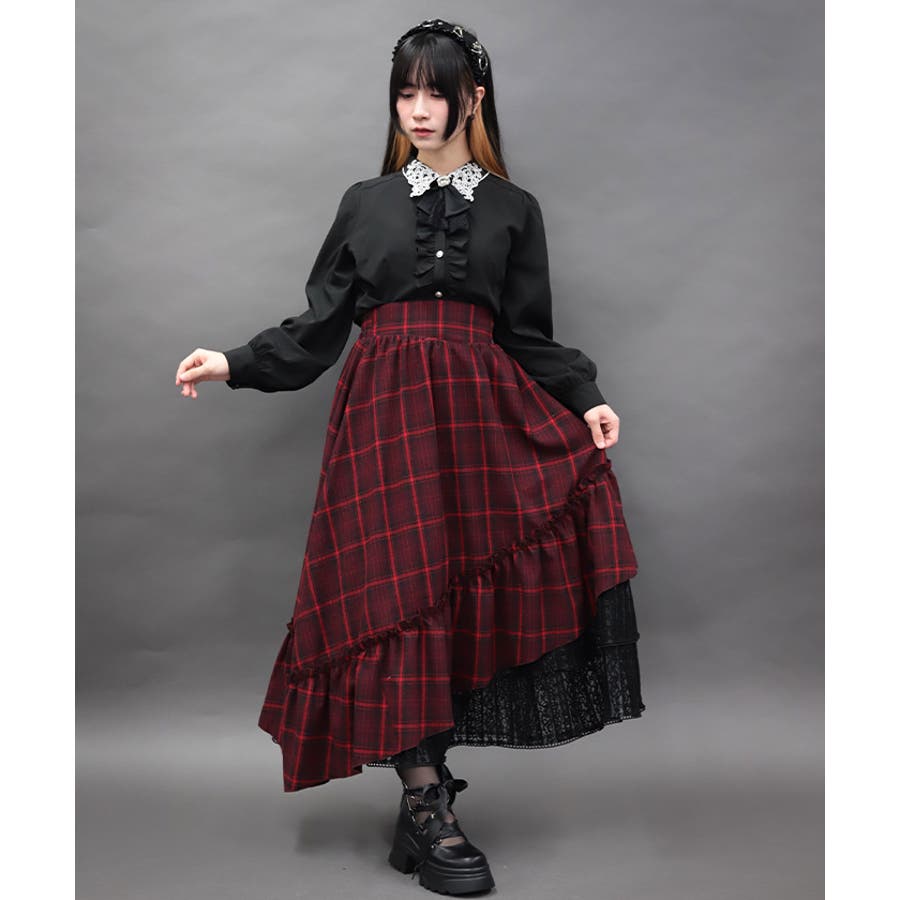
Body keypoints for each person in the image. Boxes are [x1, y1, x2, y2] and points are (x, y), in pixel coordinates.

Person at [175, 18, 645, 896]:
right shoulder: (367, 202)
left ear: (474, 98)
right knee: (394, 596)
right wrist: (233, 361)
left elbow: (527, 334)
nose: (419, 109)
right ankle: (427, 799)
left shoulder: (514, 209)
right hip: (384, 421)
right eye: (405, 91)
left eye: (436, 91)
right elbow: (320, 326)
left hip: (477, 426)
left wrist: (587, 397)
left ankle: (424, 800)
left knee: (446, 599)